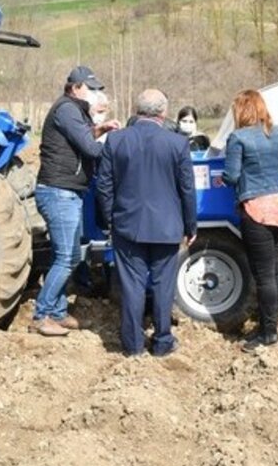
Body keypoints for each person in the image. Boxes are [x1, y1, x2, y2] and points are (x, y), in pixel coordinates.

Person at [96, 89, 196, 357]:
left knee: (132, 286)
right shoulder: (177, 143)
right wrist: (190, 226)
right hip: (166, 227)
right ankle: (162, 341)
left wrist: (109, 220)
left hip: (127, 226)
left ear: (136, 110)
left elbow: (103, 186)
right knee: (164, 285)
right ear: (163, 113)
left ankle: (133, 345)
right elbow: (187, 189)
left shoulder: (116, 140)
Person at [32, 66, 122, 336]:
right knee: (66, 257)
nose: (94, 93)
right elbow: (91, 149)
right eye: (91, 88)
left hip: (67, 191)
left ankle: (57, 312)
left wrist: (100, 128)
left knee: (68, 255)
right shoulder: (68, 110)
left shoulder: (73, 110)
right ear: (76, 87)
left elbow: (81, 139)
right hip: (59, 191)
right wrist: (121, 145)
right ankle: (42, 314)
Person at [222, 89, 278, 353]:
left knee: (263, 274)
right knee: (276, 270)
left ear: (241, 112)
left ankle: (268, 334)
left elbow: (231, 175)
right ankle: (271, 326)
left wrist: (223, 177)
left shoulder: (238, 138)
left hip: (257, 208)